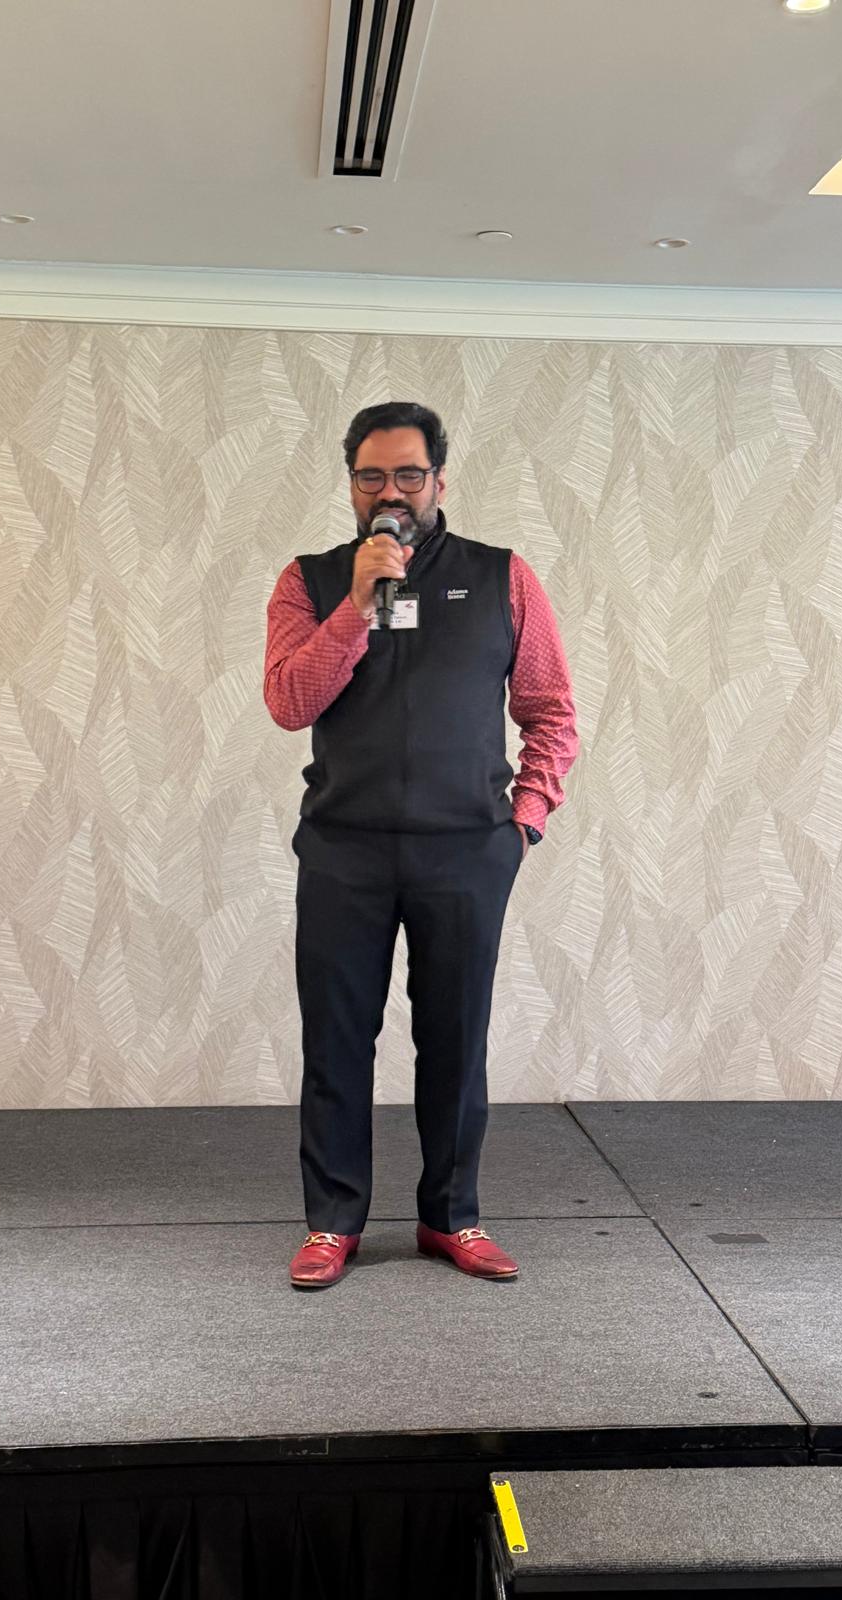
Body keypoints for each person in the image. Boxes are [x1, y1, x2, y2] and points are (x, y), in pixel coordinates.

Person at [264, 401, 578, 1290]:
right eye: (371, 476)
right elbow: (289, 702)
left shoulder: (503, 577)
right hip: (344, 850)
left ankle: (451, 1216)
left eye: (408, 474)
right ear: (351, 485)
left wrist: (524, 823)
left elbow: (550, 709)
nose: (390, 492)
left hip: (466, 852)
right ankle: (332, 1223)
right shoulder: (309, 581)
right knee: (336, 1043)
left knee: (455, 1041)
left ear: (439, 479)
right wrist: (356, 606)